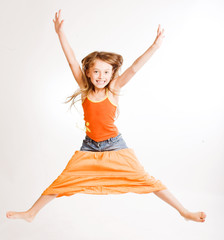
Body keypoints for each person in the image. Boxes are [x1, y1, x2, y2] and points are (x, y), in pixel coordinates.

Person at [6, 9, 206, 223]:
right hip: (90, 145)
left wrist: (155, 46)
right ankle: (31, 213)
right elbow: (72, 61)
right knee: (64, 180)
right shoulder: (85, 88)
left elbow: (135, 67)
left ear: (112, 74)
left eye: (106, 72)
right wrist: (60, 33)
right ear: (89, 73)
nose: (101, 76)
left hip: (114, 145)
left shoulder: (114, 89)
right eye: (96, 72)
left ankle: (184, 211)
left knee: (146, 180)